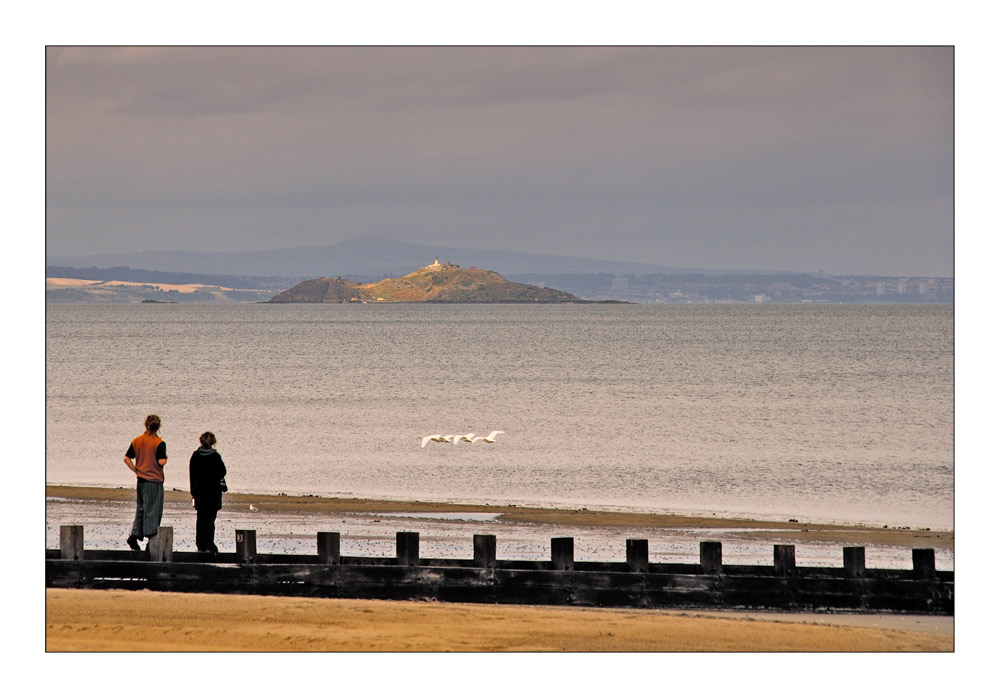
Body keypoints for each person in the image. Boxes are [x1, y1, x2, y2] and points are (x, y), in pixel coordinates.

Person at [124, 414, 168, 551]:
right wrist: (165, 458)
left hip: (141, 479)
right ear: (158, 426)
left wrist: (136, 470)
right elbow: (161, 461)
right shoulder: (159, 443)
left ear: (146, 425)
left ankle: (135, 534)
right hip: (154, 480)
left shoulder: (137, 440)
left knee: (141, 508)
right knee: (153, 510)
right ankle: (151, 539)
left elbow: (126, 458)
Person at [189, 431, 227, 554]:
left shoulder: (195, 456)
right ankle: (209, 544)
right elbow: (223, 471)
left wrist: (193, 491)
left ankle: (200, 545)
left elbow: (192, 474)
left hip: (199, 492)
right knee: (210, 519)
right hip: (213, 493)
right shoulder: (216, 456)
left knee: (200, 518)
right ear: (213, 443)